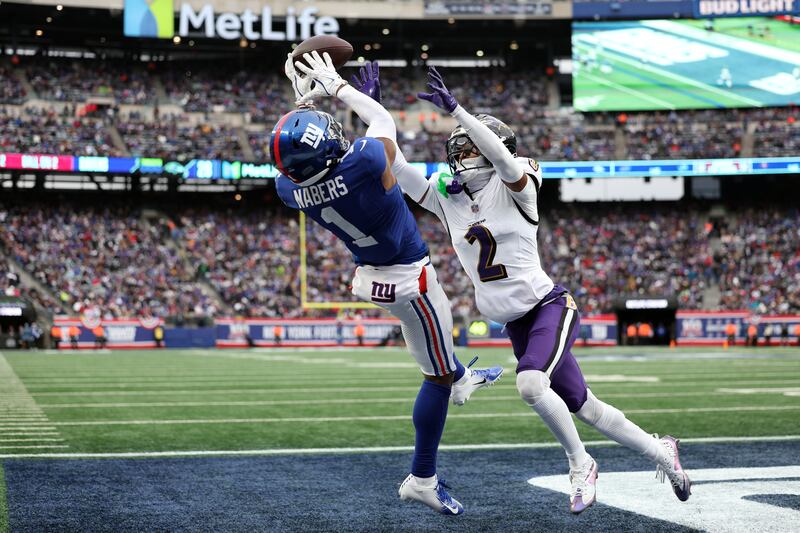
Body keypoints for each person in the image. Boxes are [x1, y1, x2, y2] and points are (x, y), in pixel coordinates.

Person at [365, 64, 691, 514]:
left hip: (549, 306)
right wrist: (377, 115)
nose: (462, 156)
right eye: (458, 148)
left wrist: (458, 110)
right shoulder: (449, 196)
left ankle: (581, 465)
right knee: (584, 405)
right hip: (516, 320)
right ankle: (662, 452)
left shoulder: (518, 183)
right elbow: (396, 166)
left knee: (531, 384)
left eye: (470, 147)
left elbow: (502, 160)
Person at [273, 52, 504, 515]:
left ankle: (462, 376)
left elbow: (343, 156)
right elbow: (378, 126)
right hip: (408, 278)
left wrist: (305, 105)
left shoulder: (288, 187)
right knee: (434, 378)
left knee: (433, 349)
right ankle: (422, 477)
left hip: (377, 274)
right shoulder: (363, 159)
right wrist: (337, 87)